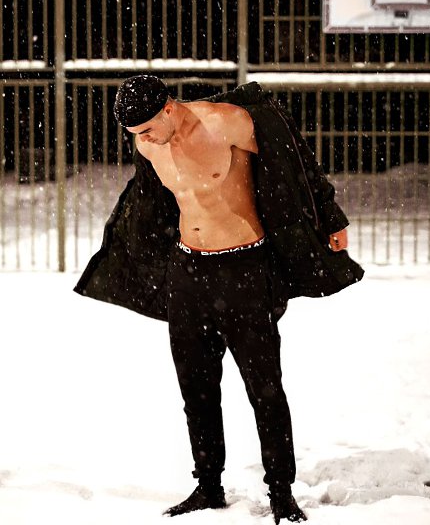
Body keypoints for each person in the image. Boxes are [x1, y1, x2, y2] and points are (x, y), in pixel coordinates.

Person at [74, 75, 363, 524]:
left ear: (168, 108)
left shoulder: (227, 123)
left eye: (147, 129)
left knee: (264, 388)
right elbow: (150, 202)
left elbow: (295, 161)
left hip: (244, 269)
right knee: (197, 389)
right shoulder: (148, 144)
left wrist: (330, 215)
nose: (143, 139)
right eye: (135, 134)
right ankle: (208, 486)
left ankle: (281, 491)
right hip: (188, 273)